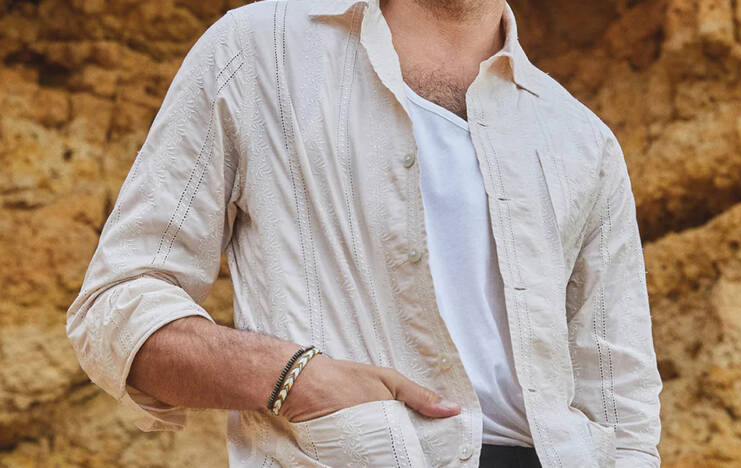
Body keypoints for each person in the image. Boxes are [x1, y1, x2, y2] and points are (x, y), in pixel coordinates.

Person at [65, 0, 663, 466]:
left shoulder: (582, 139)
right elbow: (115, 307)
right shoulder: (257, 51)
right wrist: (294, 377)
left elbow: (623, 406)